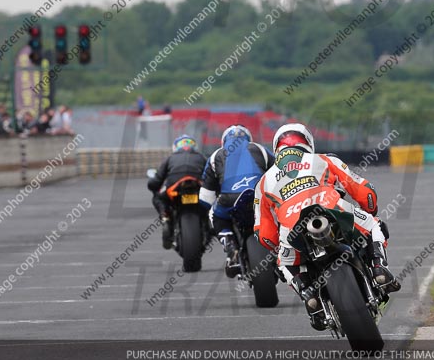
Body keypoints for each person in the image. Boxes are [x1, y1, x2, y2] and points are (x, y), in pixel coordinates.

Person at [253, 123, 400, 316]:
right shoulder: (324, 159)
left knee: (283, 262)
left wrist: (276, 247)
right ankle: (379, 268)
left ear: (276, 148)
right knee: (375, 225)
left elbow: (262, 233)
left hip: (292, 228)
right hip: (332, 209)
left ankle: (308, 294)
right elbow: (364, 190)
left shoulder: (263, 182)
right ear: (307, 142)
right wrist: (370, 210)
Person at [200, 125, 273, 276]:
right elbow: (279, 172)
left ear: (224, 141)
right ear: (248, 138)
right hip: (259, 196)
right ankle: (281, 245)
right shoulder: (260, 149)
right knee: (276, 210)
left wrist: (215, 200)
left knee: (214, 213)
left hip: (229, 198)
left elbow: (206, 198)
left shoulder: (215, 156)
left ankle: (229, 244)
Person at [147, 134, 208, 250]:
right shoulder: (201, 157)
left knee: (158, 197)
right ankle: (212, 219)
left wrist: (153, 187)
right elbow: (212, 176)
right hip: (198, 187)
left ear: (175, 147)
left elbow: (155, 181)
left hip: (175, 186)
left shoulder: (170, 158)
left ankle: (165, 217)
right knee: (213, 195)